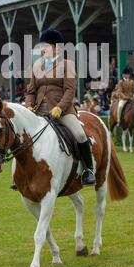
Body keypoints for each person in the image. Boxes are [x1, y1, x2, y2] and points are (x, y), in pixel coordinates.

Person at [25, 27, 95, 186]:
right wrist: (29, 106)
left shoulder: (67, 64)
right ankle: (23, 174)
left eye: (46, 46)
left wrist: (60, 108)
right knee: (23, 137)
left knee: (79, 134)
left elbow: (70, 90)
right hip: (38, 110)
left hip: (62, 110)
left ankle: (88, 170)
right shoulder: (37, 66)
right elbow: (30, 91)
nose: (43, 49)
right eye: (42, 46)